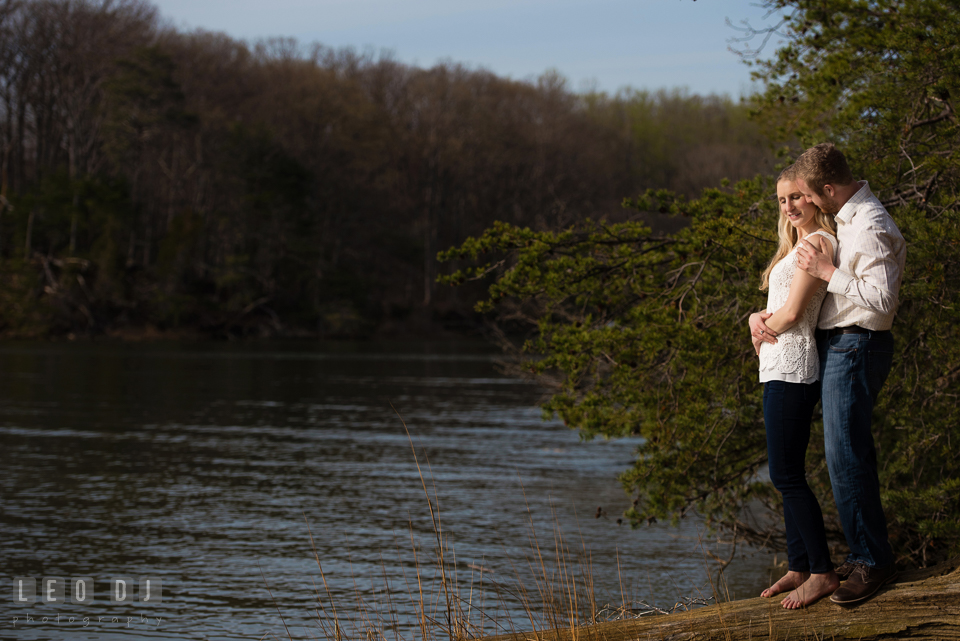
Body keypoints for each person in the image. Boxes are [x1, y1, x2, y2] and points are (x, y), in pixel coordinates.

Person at [752, 143, 906, 605]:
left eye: (805, 196)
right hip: (836, 343)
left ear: (826, 189)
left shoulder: (871, 224)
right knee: (840, 454)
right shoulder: (846, 220)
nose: (802, 204)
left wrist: (825, 270)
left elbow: (882, 301)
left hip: (857, 342)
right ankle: (844, 560)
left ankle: (870, 562)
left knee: (845, 455)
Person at [750, 165, 840, 609]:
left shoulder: (819, 244)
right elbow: (773, 310)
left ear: (813, 198)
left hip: (794, 369)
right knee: (784, 475)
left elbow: (791, 314)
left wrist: (762, 325)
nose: (789, 207)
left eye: (796, 197)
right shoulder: (794, 248)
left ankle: (822, 571)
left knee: (787, 475)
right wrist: (754, 319)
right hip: (776, 367)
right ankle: (798, 565)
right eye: (782, 200)